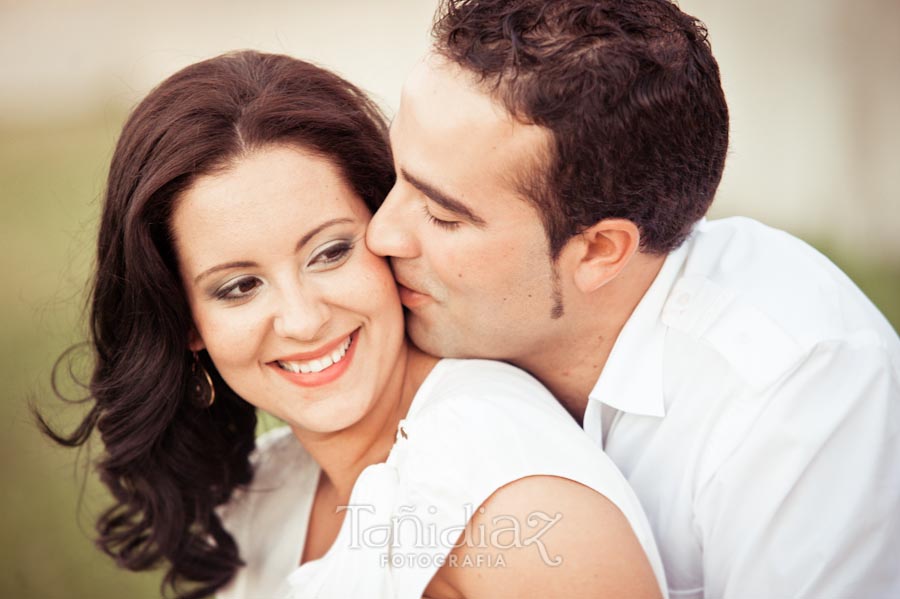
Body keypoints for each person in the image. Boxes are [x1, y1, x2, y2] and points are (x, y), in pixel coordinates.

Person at [39, 50, 668, 599]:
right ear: (185, 322)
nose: (304, 318)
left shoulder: (511, 499)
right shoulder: (269, 486)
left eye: (331, 252)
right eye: (239, 286)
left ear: (387, 231)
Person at [365, 1, 900, 597]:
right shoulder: (443, 320)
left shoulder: (802, 390)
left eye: (441, 215)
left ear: (598, 252)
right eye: (394, 175)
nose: (380, 234)